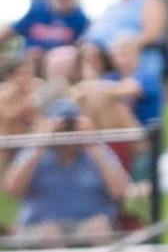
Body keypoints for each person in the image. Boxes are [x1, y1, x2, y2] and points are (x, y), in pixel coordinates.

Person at [4, 100, 128, 244]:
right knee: (50, 234)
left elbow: (120, 191)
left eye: (71, 127)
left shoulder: (97, 151)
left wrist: (93, 143)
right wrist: (40, 143)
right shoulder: (35, 152)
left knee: (99, 229)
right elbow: (13, 189)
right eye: (62, 128)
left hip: (87, 226)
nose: (67, 133)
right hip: (42, 226)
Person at [2, 0, 89, 60]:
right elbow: (12, 30)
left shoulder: (80, 19)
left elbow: (84, 46)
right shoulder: (38, 9)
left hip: (58, 64)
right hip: (27, 60)